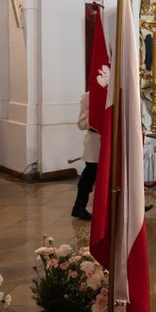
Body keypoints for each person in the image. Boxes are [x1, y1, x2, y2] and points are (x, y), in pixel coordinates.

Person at [72, 92, 99, 220]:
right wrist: (96, 119)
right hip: (94, 142)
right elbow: (81, 124)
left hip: (112, 141)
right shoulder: (88, 97)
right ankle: (79, 207)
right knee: (89, 175)